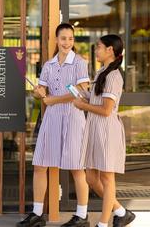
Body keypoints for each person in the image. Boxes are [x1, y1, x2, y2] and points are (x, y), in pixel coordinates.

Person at [17, 23, 92, 227]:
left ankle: (82, 216)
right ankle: (37, 214)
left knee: (77, 168)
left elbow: (81, 91)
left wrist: (52, 99)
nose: (67, 42)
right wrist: (38, 92)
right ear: (57, 40)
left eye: (70, 38)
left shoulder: (80, 63)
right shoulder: (49, 65)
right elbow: (40, 89)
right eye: (63, 38)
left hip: (73, 119)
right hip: (52, 119)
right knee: (40, 165)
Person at [73, 35, 135, 227]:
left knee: (107, 178)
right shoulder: (102, 72)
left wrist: (84, 106)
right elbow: (97, 101)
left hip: (107, 130)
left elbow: (107, 110)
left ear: (110, 50)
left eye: (99, 47)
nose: (96, 50)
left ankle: (103, 223)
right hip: (95, 129)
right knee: (91, 177)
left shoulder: (115, 76)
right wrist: (82, 95)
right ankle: (121, 212)